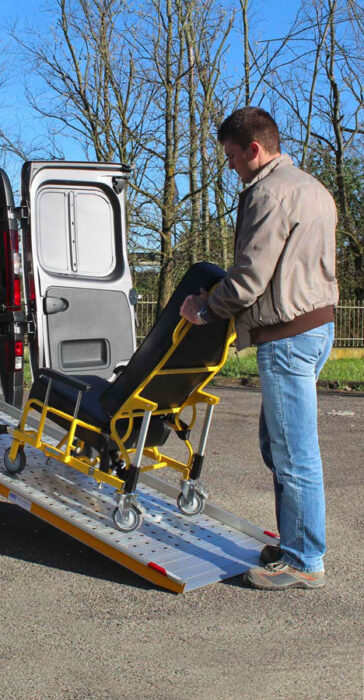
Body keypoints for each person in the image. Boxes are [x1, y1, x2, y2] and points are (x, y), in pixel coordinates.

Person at [180, 106, 338, 591]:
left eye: (231, 156)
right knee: (279, 446)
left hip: (287, 336)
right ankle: (295, 541)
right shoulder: (313, 188)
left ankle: (304, 560)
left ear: (254, 149)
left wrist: (204, 308)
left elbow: (249, 277)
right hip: (317, 327)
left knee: (293, 453)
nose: (229, 167)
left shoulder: (269, 192)